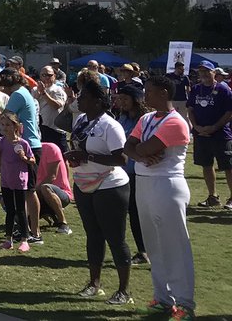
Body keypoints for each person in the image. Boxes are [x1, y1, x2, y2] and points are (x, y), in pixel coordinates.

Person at [125, 74, 196, 320]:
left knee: (175, 246)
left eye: (150, 91)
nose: (146, 96)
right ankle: (163, 299)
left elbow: (143, 147)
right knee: (154, 247)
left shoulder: (176, 121)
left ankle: (185, 303)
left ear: (164, 93)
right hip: (145, 184)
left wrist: (140, 152)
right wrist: (141, 154)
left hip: (167, 185)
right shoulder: (146, 118)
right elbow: (128, 147)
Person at [65, 78, 133, 305]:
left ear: (96, 102)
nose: (78, 100)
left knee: (115, 238)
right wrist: (76, 157)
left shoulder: (110, 125)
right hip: (85, 183)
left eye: (82, 97)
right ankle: (94, 283)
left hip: (110, 186)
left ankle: (124, 290)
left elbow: (121, 158)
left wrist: (88, 157)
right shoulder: (83, 120)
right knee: (93, 235)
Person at [185, 59, 232, 208]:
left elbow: (229, 112)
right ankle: (213, 196)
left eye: (207, 71)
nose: (204, 73)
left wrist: (215, 127)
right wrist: (196, 126)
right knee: (206, 165)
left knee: (228, 166)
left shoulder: (224, 89)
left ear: (214, 73)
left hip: (220, 134)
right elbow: (190, 109)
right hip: (201, 134)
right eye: (201, 71)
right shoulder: (196, 89)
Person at [114, 82, 150, 263]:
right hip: (123, 172)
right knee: (129, 212)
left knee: (137, 213)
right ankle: (140, 250)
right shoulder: (123, 118)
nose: (122, 102)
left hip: (139, 172)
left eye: (125, 98)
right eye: (119, 98)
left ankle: (144, 251)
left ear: (136, 100)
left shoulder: (144, 120)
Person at [0, 112, 34, 252]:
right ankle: (8, 239)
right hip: (6, 180)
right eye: (3, 125)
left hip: (19, 181)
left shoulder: (23, 143)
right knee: (9, 211)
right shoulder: (1, 141)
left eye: (8, 125)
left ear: (15, 126)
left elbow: (32, 160)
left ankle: (25, 239)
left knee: (20, 210)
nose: (5, 128)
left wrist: (23, 157)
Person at [34, 137, 74, 236]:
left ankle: (63, 224)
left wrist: (32, 193)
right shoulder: (23, 151)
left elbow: (52, 176)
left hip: (61, 192)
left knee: (45, 187)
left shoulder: (50, 148)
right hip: (38, 194)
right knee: (5, 198)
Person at [35, 65, 68, 149]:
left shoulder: (58, 90)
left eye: (49, 75)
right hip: (40, 129)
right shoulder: (35, 90)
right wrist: (37, 95)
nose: (46, 77)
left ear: (54, 76)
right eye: (44, 75)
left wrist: (44, 93)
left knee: (61, 157)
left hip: (55, 130)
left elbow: (56, 106)